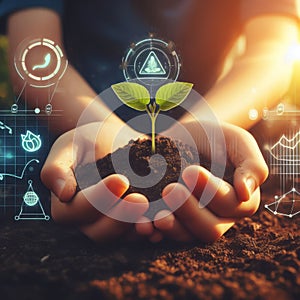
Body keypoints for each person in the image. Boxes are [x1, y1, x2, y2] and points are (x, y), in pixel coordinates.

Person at [0, 0, 298, 242]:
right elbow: (36, 55)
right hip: (70, 133)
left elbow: (273, 52)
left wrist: (202, 131)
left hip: (218, 123)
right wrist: (106, 134)